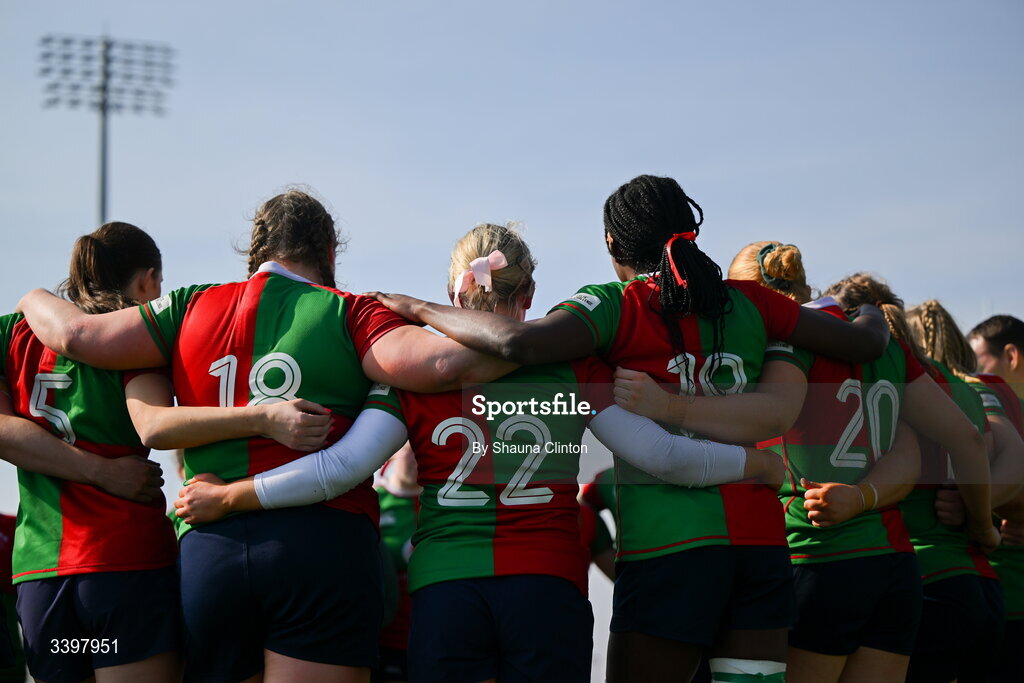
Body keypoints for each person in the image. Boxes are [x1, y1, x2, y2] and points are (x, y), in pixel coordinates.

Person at [174, 221, 787, 683]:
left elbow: (342, 467)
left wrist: (234, 495)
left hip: (447, 592)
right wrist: (755, 464)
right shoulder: (572, 367)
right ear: (531, 292)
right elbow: (662, 457)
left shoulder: (412, 379)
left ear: (452, 290)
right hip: (547, 586)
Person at [364, 176, 894, 682]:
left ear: (612, 242)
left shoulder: (612, 308)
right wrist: (873, 311)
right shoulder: (754, 303)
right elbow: (866, 344)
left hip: (667, 547)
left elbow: (517, 345)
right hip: (758, 542)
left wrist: (415, 309)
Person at [15, 190, 524, 683]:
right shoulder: (348, 310)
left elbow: (77, 336)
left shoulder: (187, 307)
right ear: (328, 252)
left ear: (254, 251)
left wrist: (30, 296)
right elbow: (445, 363)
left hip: (208, 551)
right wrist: (533, 337)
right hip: (319, 547)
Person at [0, 223, 181, 683]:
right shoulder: (137, 338)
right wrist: (104, 472)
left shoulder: (11, 336)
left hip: (42, 575)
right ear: (147, 280)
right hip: (126, 564)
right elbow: (155, 424)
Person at [821, 278, 1000, 683]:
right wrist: (982, 523)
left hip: (917, 571)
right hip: (980, 580)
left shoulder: (879, 374)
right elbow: (987, 453)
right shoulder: (961, 387)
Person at [967, 314, 1024, 683]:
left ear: (1011, 355)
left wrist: (972, 506)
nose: (971, 373)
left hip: (1006, 597)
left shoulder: (982, 401)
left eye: (978, 361)